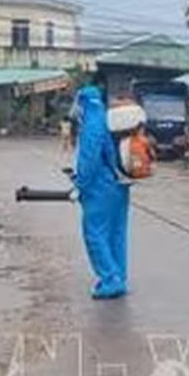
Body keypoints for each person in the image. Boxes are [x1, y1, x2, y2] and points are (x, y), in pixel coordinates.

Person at [72, 84, 130, 299]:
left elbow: (89, 157)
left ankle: (110, 279)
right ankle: (119, 275)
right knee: (116, 232)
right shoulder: (108, 118)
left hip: (100, 186)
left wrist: (81, 185)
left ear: (83, 101)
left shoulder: (92, 123)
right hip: (119, 183)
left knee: (95, 233)